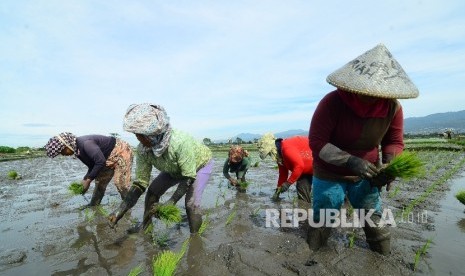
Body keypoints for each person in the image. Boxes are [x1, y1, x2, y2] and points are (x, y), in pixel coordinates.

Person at [308, 43, 419, 255]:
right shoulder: (332, 102)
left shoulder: (392, 107)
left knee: (374, 218)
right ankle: (312, 256)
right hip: (330, 171)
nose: (372, 96)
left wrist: (389, 167)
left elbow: (394, 141)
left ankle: (381, 257)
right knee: (324, 216)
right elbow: (317, 142)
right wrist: (351, 161)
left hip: (367, 173)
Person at [108, 103, 213, 234]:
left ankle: (195, 238)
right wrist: (121, 209)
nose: (138, 138)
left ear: (152, 132)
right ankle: (147, 227)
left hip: (199, 167)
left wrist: (172, 201)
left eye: (140, 134)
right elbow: (140, 183)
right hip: (173, 169)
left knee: (191, 204)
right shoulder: (143, 150)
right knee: (152, 192)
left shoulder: (179, 142)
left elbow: (188, 177)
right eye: (136, 134)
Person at [44, 132, 133, 206]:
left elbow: (100, 161)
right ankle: (93, 205)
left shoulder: (86, 144)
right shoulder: (78, 151)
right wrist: (85, 179)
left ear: (67, 145)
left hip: (120, 151)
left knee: (120, 183)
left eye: (62, 151)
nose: (63, 154)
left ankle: (126, 206)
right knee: (100, 183)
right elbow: (92, 165)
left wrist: (88, 181)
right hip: (105, 157)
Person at [257, 133, 313, 203]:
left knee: (324, 192)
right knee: (302, 193)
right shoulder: (280, 156)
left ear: (272, 149)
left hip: (320, 163)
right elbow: (283, 174)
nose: (270, 156)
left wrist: (288, 183)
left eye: (269, 154)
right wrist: (278, 189)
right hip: (306, 170)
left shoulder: (286, 148)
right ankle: (305, 210)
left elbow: (299, 166)